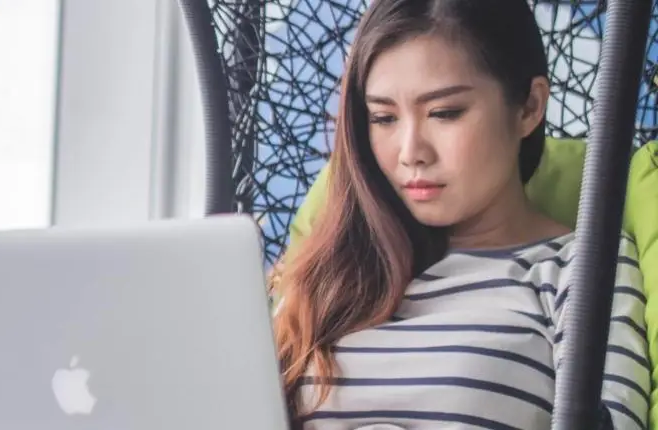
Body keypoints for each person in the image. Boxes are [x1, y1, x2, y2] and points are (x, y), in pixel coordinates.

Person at [271, 0, 650, 428]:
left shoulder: (581, 272)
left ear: (529, 106)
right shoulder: (329, 273)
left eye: (444, 113)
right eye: (383, 118)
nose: (411, 152)